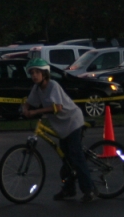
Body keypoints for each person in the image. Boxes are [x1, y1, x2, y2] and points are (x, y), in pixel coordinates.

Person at [21, 58, 99, 201]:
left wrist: (36, 112)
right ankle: (69, 189)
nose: (34, 75)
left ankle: (89, 189)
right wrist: (25, 108)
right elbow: (29, 102)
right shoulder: (37, 88)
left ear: (45, 73)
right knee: (66, 158)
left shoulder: (53, 85)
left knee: (75, 155)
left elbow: (58, 107)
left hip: (73, 121)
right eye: (32, 73)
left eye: (37, 72)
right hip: (62, 126)